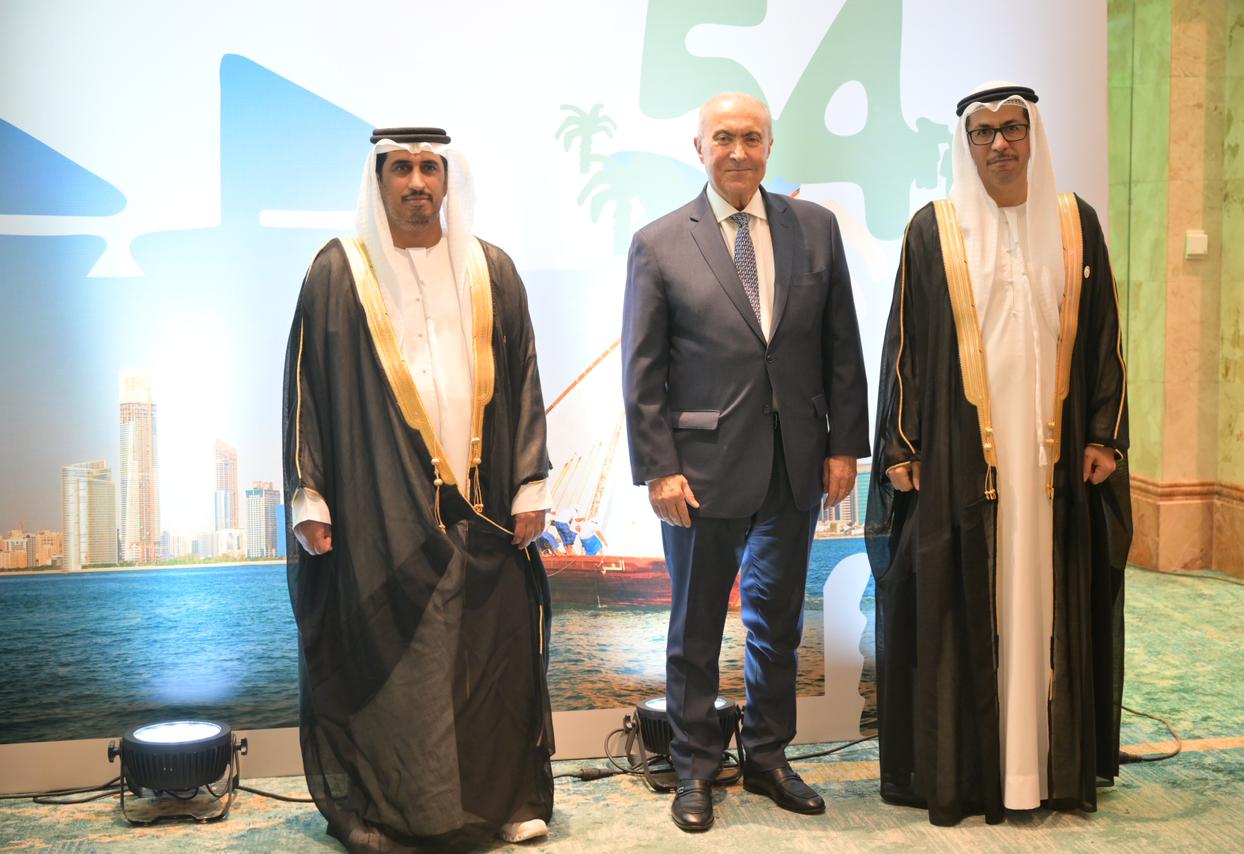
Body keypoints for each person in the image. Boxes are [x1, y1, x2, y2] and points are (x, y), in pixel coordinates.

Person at [866, 83, 1132, 826]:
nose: (1001, 145)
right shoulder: (935, 229)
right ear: (967, 144)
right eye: (984, 133)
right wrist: (902, 443)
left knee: (1049, 596)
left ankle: (1048, 767)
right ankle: (978, 772)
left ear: (1032, 134)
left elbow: (1105, 334)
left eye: (1013, 129)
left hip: (1055, 457)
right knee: (968, 599)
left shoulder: (1075, 223)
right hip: (963, 457)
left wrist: (1104, 433)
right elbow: (904, 344)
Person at [283, 127, 555, 851]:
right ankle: (385, 812)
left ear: (447, 177)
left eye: (429, 167)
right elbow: (307, 388)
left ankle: (504, 801)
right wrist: (309, 495)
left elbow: (525, 375)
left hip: (484, 502)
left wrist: (531, 480)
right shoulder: (338, 272)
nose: (416, 183)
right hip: (378, 507)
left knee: (492, 655)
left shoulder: (490, 270)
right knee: (399, 665)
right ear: (378, 179)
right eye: (400, 167)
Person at [621, 92, 869, 832]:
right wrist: (658, 468)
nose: (738, 151)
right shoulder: (659, 243)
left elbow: (842, 346)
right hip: (699, 474)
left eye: (752, 138)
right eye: (724, 137)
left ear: (769, 147)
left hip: (796, 464)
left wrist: (843, 446)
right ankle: (695, 768)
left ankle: (767, 756)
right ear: (699, 148)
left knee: (778, 625)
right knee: (696, 631)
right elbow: (643, 371)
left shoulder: (815, 229)